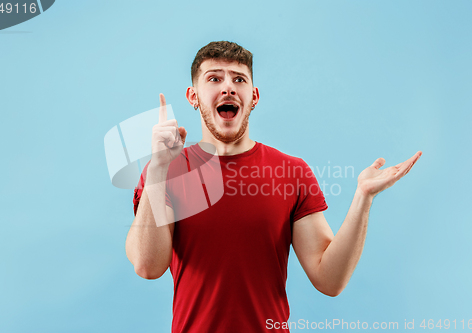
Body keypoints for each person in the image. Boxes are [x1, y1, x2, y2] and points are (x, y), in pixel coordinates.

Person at [125, 41, 422, 333]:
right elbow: (147, 266)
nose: (228, 87)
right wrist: (159, 168)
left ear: (253, 96)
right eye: (214, 78)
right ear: (194, 96)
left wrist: (363, 198)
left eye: (238, 79)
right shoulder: (166, 171)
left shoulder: (292, 172)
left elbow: (329, 280)